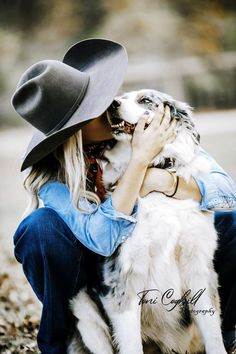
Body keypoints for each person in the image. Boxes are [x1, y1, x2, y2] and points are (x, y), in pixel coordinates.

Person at [11, 38, 236, 354]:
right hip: (94, 275)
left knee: (230, 222)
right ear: (72, 130)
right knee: (39, 228)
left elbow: (226, 192)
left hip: (154, 275)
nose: (110, 104)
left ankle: (224, 333)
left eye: (101, 96)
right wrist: (140, 163)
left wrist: (160, 180)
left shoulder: (137, 132)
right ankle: (59, 343)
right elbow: (103, 239)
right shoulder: (54, 178)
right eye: (93, 107)